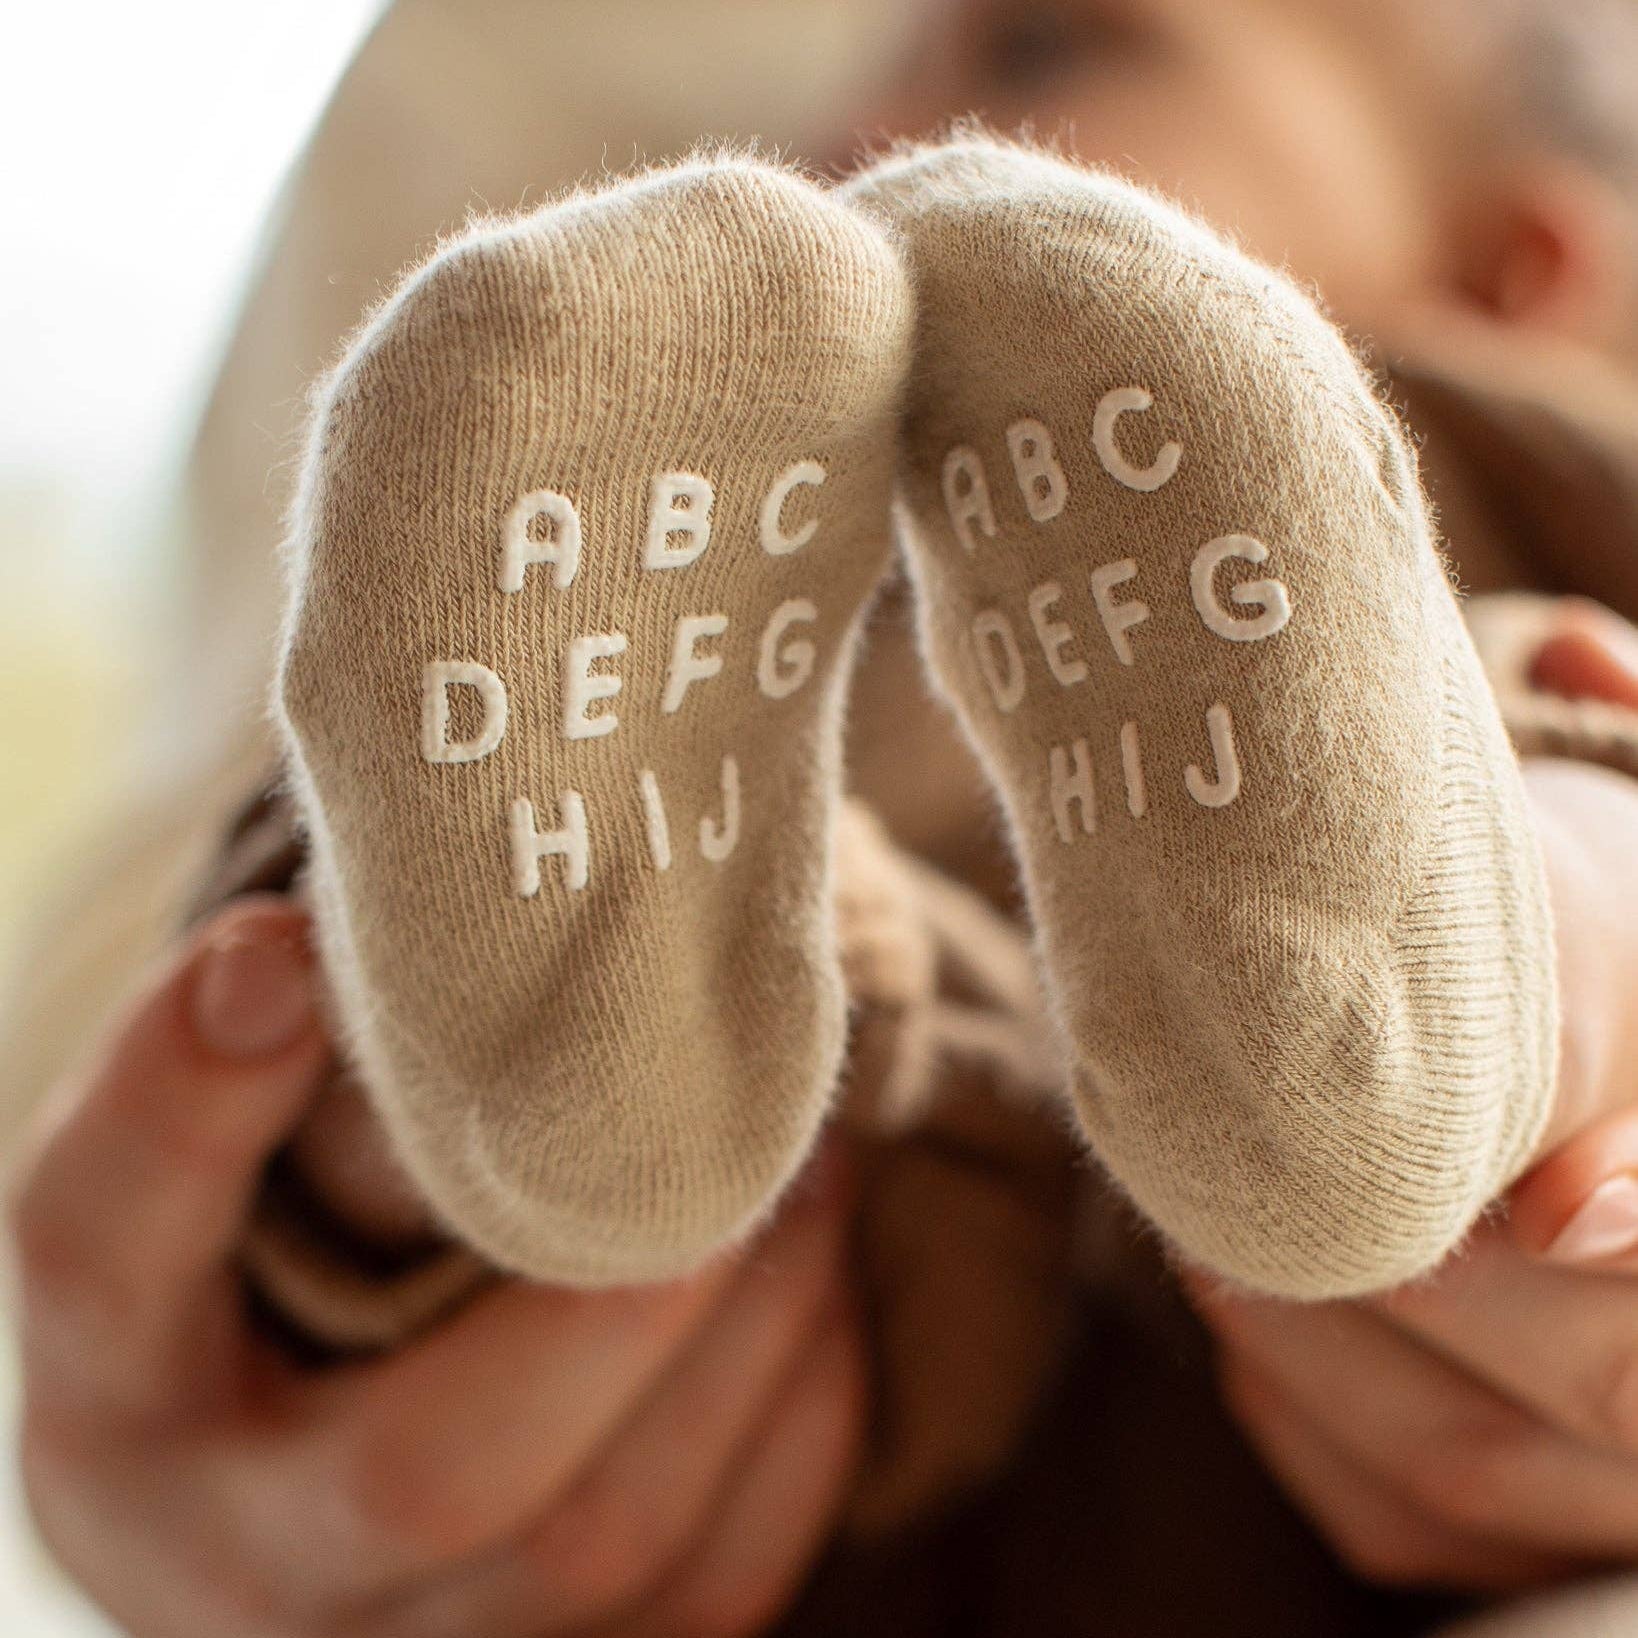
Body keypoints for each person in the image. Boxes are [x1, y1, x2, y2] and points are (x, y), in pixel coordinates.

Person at [8, 1, 1638, 1633]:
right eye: (848, 112)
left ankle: (1414, 1010)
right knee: (448, 888)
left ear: (1507, 269)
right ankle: (522, 1124)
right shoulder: (772, 581)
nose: (877, 158)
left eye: (1040, 55)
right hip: (897, 1357)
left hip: (1456, 1137)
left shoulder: (1515, 447)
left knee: (1535, 766)